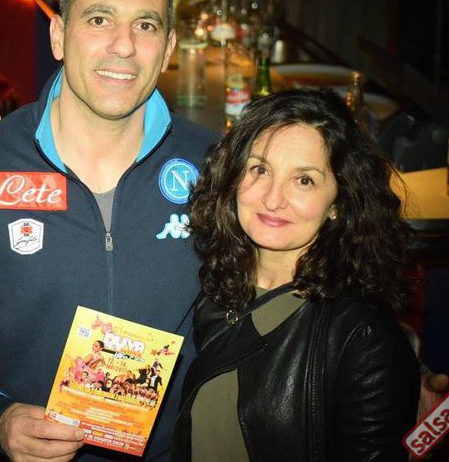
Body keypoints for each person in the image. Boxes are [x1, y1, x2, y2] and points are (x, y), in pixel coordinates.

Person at [0, 0, 217, 462]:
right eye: (99, 19)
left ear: (168, 48)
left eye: (145, 25)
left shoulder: (217, 169)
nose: (123, 45)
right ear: (58, 35)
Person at [173, 89, 420, 460]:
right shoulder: (213, 285)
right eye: (260, 170)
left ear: (338, 202)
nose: (273, 199)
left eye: (304, 180)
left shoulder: (363, 337)